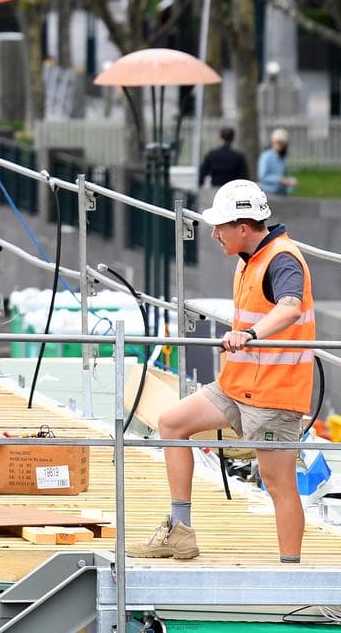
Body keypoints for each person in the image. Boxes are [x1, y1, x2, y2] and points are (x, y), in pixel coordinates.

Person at [128, 180, 313, 562]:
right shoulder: (249, 260)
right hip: (236, 386)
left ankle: (291, 576)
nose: (213, 235)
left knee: (279, 485)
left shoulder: (282, 258)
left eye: (220, 227)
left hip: (274, 395)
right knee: (172, 423)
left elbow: (291, 306)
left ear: (243, 228)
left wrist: (250, 334)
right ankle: (180, 532)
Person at [257, 128, 297, 196]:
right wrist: (280, 180)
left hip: (281, 194)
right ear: (273, 142)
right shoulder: (266, 156)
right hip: (268, 193)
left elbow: (284, 175)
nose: (280, 145)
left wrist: (290, 181)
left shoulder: (282, 158)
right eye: (278, 142)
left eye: (282, 143)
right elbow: (262, 176)